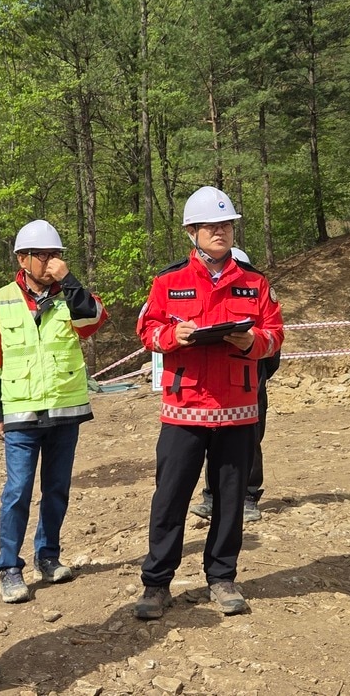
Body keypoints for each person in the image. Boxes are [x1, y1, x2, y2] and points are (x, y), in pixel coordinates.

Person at [134, 187, 284, 619]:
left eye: (226, 225)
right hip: (184, 408)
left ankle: (222, 578)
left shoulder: (255, 283)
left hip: (237, 409)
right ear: (192, 233)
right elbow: (147, 330)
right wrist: (172, 337)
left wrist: (253, 340)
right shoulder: (168, 281)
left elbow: (275, 335)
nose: (220, 232)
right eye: (211, 226)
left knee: (230, 498)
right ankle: (156, 584)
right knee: (170, 498)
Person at [0, 219, 108, 604]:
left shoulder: (72, 294)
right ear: (23, 259)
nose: (52, 261)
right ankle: (9, 567)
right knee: (17, 491)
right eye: (45, 255)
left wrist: (69, 281)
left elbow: (93, 320)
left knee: (56, 490)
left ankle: (48, 557)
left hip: (65, 409)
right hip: (20, 412)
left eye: (57, 255)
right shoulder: (0, 300)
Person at [188, 246, 280, 523]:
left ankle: (249, 496)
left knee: (250, 440)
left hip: (251, 382)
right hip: (216, 385)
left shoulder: (258, 298)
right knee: (212, 436)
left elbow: (273, 350)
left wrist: (257, 370)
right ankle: (211, 496)